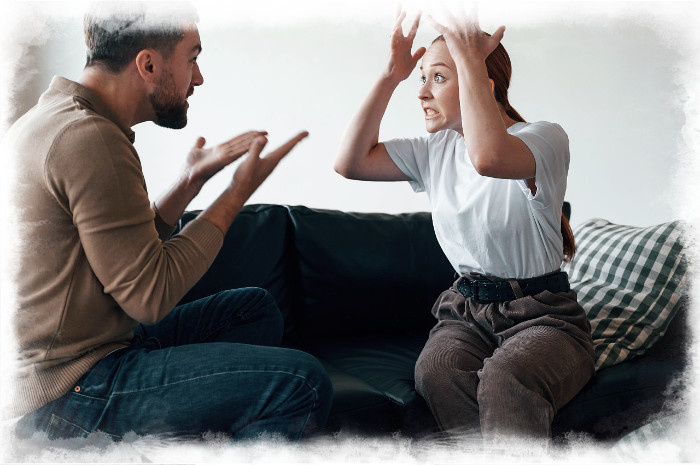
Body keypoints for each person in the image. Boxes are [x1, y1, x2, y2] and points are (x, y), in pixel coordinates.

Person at [4, 3, 332, 441]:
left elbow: (122, 260)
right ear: (149, 65)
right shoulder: (90, 140)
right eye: (192, 58)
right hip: (69, 390)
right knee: (303, 383)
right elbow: (149, 296)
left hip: (89, 351)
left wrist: (188, 182)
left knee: (254, 309)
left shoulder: (58, 118)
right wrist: (237, 192)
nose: (199, 78)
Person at [334, 8, 595, 442]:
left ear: (481, 84)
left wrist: (471, 60)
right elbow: (351, 162)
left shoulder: (544, 138)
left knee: (506, 376)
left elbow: (489, 158)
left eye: (438, 77)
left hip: (544, 315)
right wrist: (390, 76)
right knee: (436, 370)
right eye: (422, 78)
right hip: (466, 311)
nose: (422, 92)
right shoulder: (434, 150)